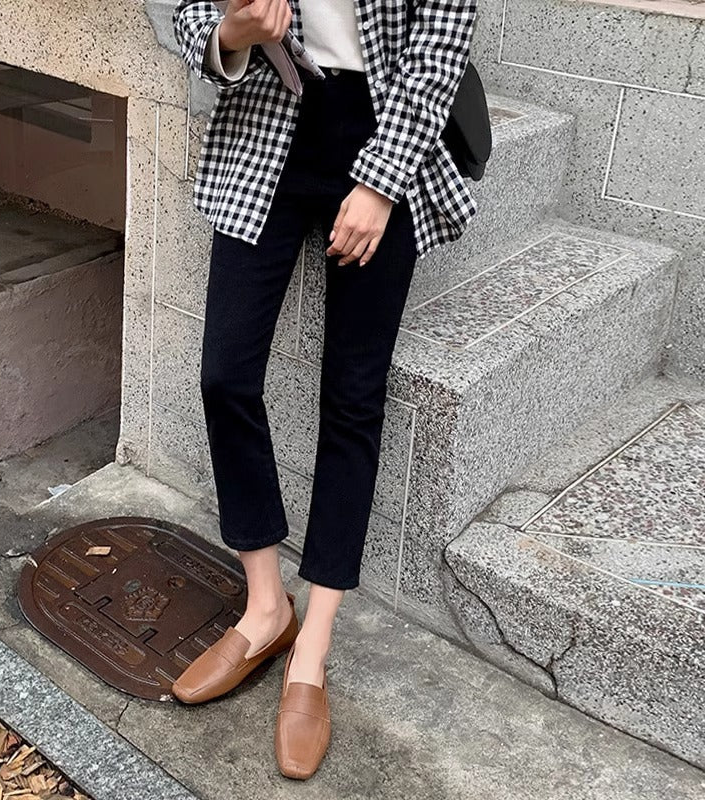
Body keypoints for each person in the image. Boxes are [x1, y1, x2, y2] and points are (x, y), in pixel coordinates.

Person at [169, 0, 478, 780]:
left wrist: (379, 184)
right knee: (224, 374)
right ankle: (265, 608)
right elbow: (190, 11)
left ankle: (312, 647)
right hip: (267, 125)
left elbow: (438, 49)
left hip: (385, 127)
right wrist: (232, 34)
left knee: (352, 397)